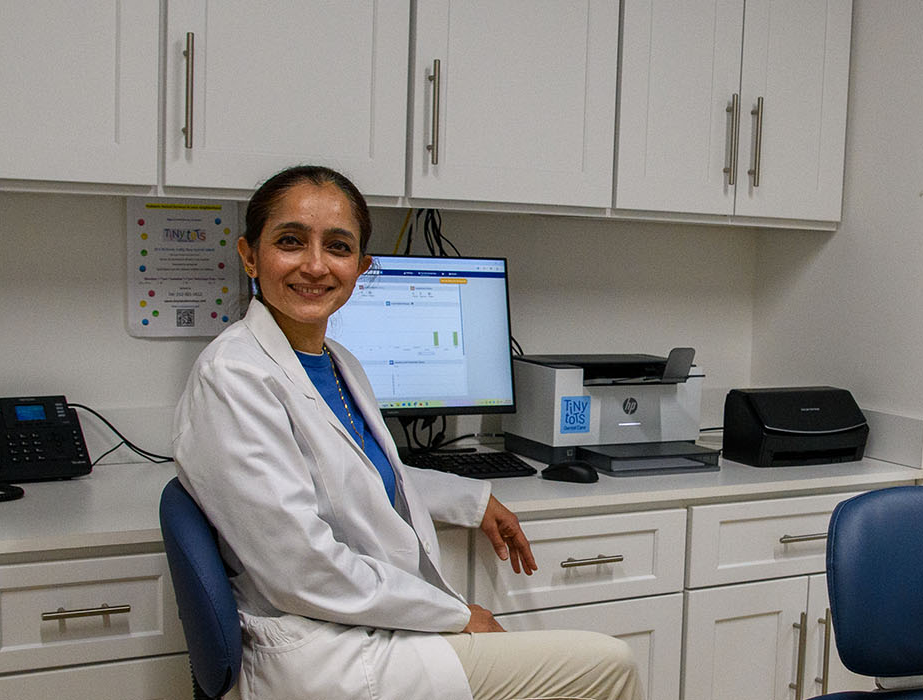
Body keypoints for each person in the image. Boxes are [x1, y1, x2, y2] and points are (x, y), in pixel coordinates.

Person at [173, 165, 640, 700]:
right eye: (290, 241)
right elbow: (301, 570)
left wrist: (473, 498)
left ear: (362, 267)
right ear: (250, 255)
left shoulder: (334, 361)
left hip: (362, 625)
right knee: (611, 664)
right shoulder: (233, 375)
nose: (316, 265)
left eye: (339, 247)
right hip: (323, 653)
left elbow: (366, 472)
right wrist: (457, 614)